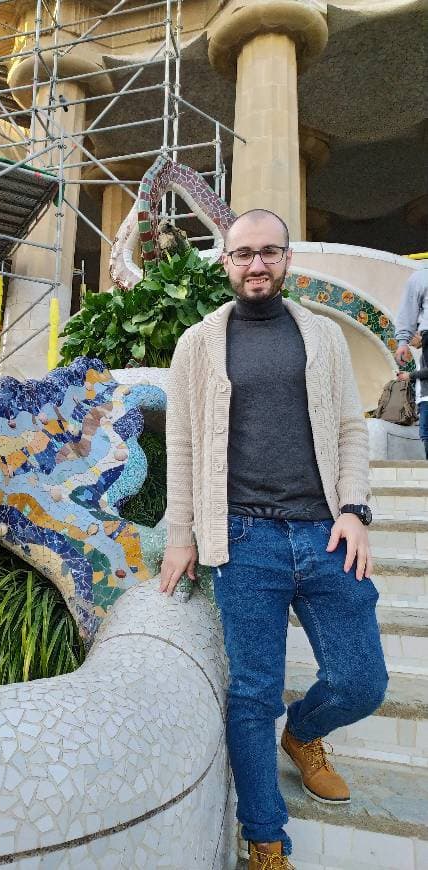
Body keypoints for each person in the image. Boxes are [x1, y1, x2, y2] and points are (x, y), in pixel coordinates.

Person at [159, 209, 388, 869]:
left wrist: (353, 510)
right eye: (243, 254)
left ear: (286, 260)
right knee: (254, 694)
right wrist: (183, 536)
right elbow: (180, 445)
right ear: (226, 262)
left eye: (268, 253)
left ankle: (307, 733)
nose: (256, 264)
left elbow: (349, 428)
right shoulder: (198, 343)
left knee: (362, 680)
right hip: (243, 539)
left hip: (326, 534)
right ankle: (266, 841)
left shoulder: (321, 336)